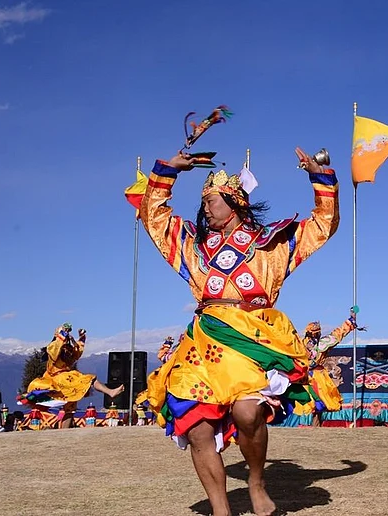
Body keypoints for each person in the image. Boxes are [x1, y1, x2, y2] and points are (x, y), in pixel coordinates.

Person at [140, 147, 339, 516]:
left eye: (212, 201)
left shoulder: (273, 244)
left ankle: (256, 480)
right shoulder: (192, 244)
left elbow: (323, 224)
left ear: (234, 202)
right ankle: (220, 509)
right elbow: (153, 217)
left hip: (253, 338)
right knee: (197, 427)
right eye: (203, 203)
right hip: (205, 341)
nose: (205, 210)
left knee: (248, 413)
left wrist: (320, 177)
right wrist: (167, 172)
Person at [22, 324, 124, 428]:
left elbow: (77, 353)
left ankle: (64, 434)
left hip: (67, 380)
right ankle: (110, 392)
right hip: (55, 379)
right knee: (88, 378)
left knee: (70, 409)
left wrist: (81, 338)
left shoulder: (67, 349)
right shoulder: (53, 347)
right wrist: (63, 334)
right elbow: (54, 350)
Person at [299, 308, 365, 426]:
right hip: (307, 376)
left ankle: (315, 426)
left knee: (319, 403)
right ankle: (310, 426)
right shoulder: (301, 343)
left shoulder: (320, 343)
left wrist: (350, 320)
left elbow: (338, 334)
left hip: (315, 376)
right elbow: (338, 333)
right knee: (310, 403)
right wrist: (351, 320)